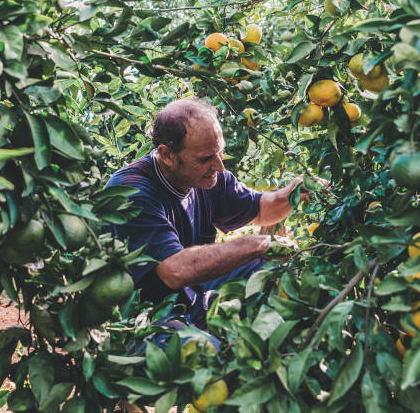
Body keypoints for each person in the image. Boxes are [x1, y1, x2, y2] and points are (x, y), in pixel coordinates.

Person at [105, 98, 314, 328]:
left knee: (275, 271)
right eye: (205, 159)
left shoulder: (208, 177)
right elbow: (174, 271)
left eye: (220, 152)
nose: (219, 166)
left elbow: (262, 208)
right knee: (196, 349)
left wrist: (291, 194)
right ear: (166, 155)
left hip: (194, 296)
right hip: (148, 315)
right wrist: (255, 244)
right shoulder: (131, 191)